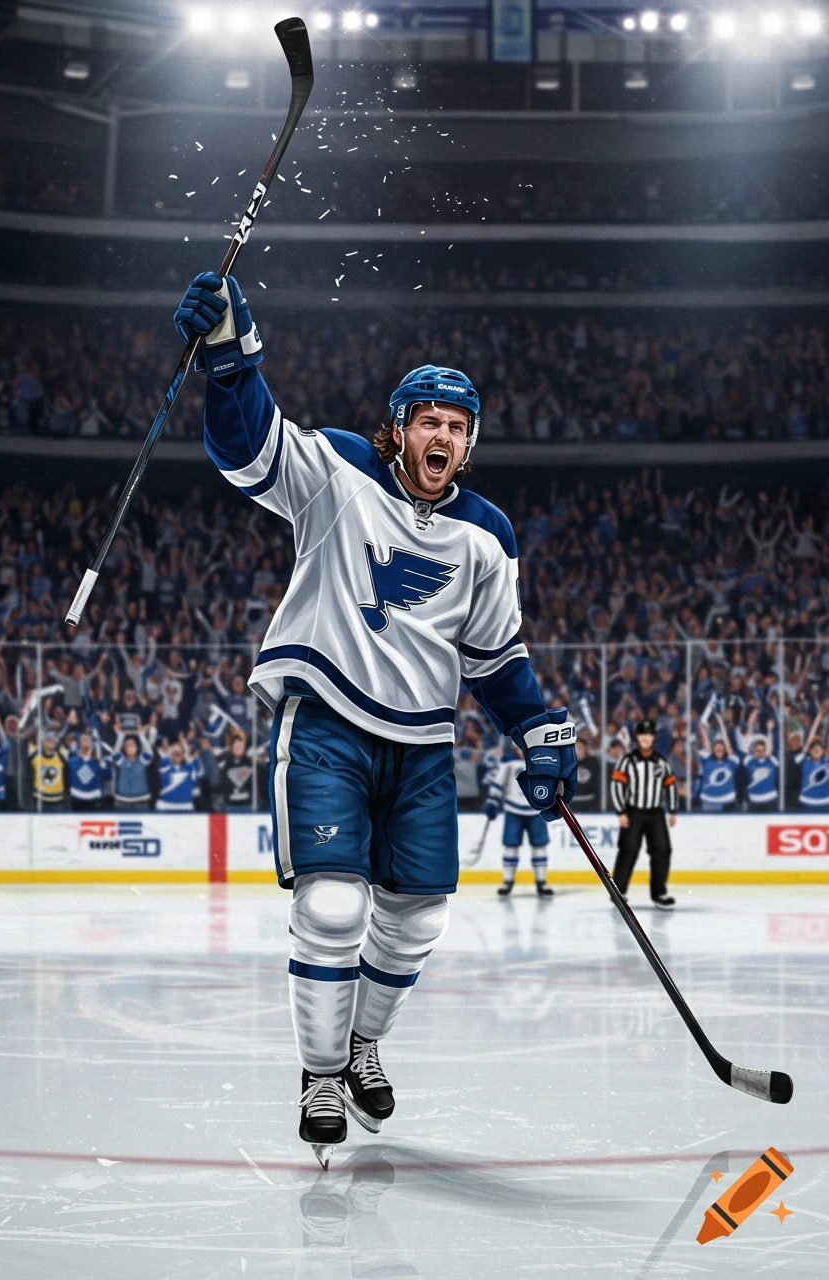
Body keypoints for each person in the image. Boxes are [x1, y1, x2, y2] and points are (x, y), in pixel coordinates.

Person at [174, 270, 577, 1167]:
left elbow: (495, 658)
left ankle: (361, 1046)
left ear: (469, 446)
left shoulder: (488, 535)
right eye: (429, 419)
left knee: (420, 917)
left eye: (459, 426)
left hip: (425, 744)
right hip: (328, 723)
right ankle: (320, 1074)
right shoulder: (342, 472)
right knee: (328, 904)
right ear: (398, 428)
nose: (444, 435)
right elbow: (251, 453)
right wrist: (231, 358)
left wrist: (538, 730)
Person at [610, 718, 678, 909]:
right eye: (642, 735)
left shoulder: (661, 762)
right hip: (634, 812)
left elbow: (670, 785)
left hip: (656, 813)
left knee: (662, 851)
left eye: (649, 735)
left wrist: (672, 810)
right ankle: (618, 893)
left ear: (654, 737)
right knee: (628, 850)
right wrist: (621, 811)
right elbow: (616, 786)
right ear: (637, 737)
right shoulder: (627, 761)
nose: (646, 738)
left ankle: (659, 894)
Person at [484, 742, 553, 898]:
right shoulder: (508, 761)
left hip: (536, 811)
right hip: (513, 810)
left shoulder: (541, 759)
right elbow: (499, 781)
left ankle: (541, 881)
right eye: (517, 748)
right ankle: (508, 881)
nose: (520, 751)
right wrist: (492, 801)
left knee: (539, 846)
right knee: (510, 846)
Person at [697, 715, 740, 813]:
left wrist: (722, 725)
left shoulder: (731, 762)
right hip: (709, 801)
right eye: (716, 746)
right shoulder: (707, 760)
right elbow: (706, 744)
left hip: (728, 800)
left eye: (721, 746)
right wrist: (704, 732)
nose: (719, 748)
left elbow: (728, 746)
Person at [66, 725, 111, 811]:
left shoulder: (98, 761)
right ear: (79, 742)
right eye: (83, 739)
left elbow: (107, 775)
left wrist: (100, 760)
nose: (86, 742)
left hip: (94, 798)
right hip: (76, 797)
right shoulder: (72, 761)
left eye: (88, 740)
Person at [156, 738, 204, 813]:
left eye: (179, 752)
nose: (177, 754)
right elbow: (167, 756)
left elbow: (198, 776)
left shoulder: (189, 767)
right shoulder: (165, 766)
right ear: (171, 754)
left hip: (185, 805)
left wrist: (186, 748)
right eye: (175, 752)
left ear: (183, 755)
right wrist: (176, 748)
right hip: (166, 805)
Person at [112, 731, 154, 812]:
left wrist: (141, 735)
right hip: (122, 800)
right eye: (128, 745)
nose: (131, 747)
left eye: (133, 745)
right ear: (124, 748)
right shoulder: (121, 760)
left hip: (141, 799)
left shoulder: (142, 760)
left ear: (137, 748)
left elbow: (149, 753)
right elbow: (115, 753)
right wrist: (121, 736)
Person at [796, 713, 829, 810]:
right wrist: (818, 717)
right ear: (809, 751)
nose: (816, 750)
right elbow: (809, 740)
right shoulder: (804, 761)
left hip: (825, 803)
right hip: (807, 802)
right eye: (814, 748)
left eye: (819, 748)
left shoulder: (826, 762)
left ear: (823, 751)